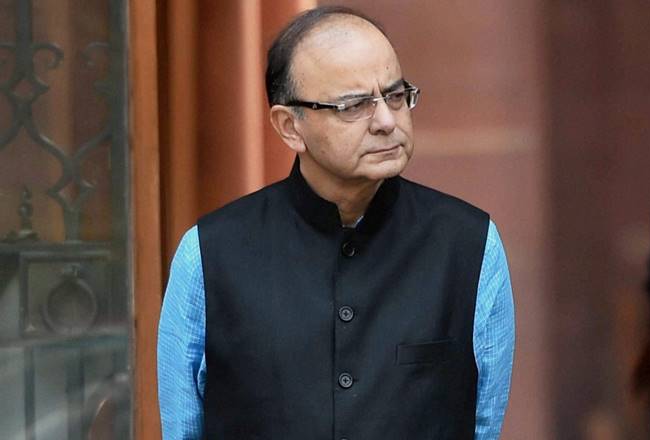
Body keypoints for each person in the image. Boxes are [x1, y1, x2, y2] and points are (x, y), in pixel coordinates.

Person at [158, 6, 514, 440]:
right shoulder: (209, 254)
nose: (386, 121)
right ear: (290, 126)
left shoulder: (469, 245)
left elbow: (483, 425)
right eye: (354, 105)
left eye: (395, 96)